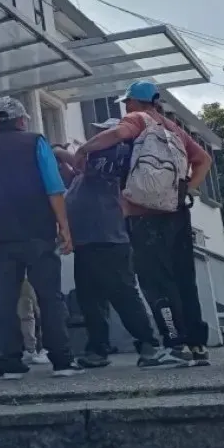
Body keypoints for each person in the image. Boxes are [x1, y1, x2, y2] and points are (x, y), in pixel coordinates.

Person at [75, 81, 213, 367]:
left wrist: (84, 149)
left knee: (155, 282)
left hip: (143, 215)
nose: (126, 107)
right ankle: (197, 344)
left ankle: (174, 343)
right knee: (184, 278)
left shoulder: (138, 119)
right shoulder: (173, 129)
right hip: (175, 211)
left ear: (136, 103)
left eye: (127, 102)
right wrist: (185, 191)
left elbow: (118, 133)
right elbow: (204, 160)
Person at [0, 96, 81, 379]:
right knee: (49, 297)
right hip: (37, 233)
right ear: (21, 121)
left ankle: (11, 363)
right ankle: (62, 361)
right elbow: (53, 187)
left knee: (5, 300)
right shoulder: (35, 142)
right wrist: (64, 227)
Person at [65, 119, 182, 368]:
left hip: (108, 239)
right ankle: (97, 349)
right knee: (90, 299)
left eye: (100, 133)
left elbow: (84, 167)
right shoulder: (90, 166)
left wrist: (59, 150)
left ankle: (149, 345)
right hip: (86, 241)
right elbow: (75, 177)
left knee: (123, 295)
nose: (95, 135)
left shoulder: (112, 160)